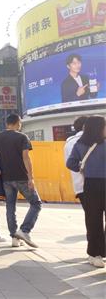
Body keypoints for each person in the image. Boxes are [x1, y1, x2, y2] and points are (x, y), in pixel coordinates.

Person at [0, 113, 41, 249]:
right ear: (18, 123)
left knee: (10, 207)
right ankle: (24, 230)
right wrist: (30, 178)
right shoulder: (22, 137)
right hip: (22, 177)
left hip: (6, 178)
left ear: (7, 123)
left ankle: (14, 237)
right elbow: (26, 158)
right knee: (36, 203)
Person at [67, 115, 106, 268]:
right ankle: (99, 252)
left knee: (93, 220)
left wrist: (83, 168)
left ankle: (95, 254)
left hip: (90, 185)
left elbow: (70, 163)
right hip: (100, 183)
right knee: (95, 220)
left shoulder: (80, 144)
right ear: (99, 128)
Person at [64, 116, 88, 202]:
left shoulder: (69, 142)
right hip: (98, 184)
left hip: (79, 186)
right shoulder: (94, 140)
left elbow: (69, 163)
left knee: (89, 210)